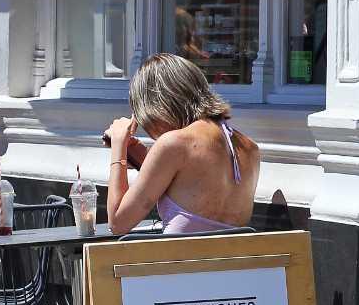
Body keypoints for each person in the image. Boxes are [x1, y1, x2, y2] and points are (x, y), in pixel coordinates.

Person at [104, 52, 261, 236]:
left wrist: (118, 144)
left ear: (156, 107)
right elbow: (192, 184)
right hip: (236, 255)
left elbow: (118, 223)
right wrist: (141, 156)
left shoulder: (173, 144)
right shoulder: (251, 149)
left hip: (180, 255)